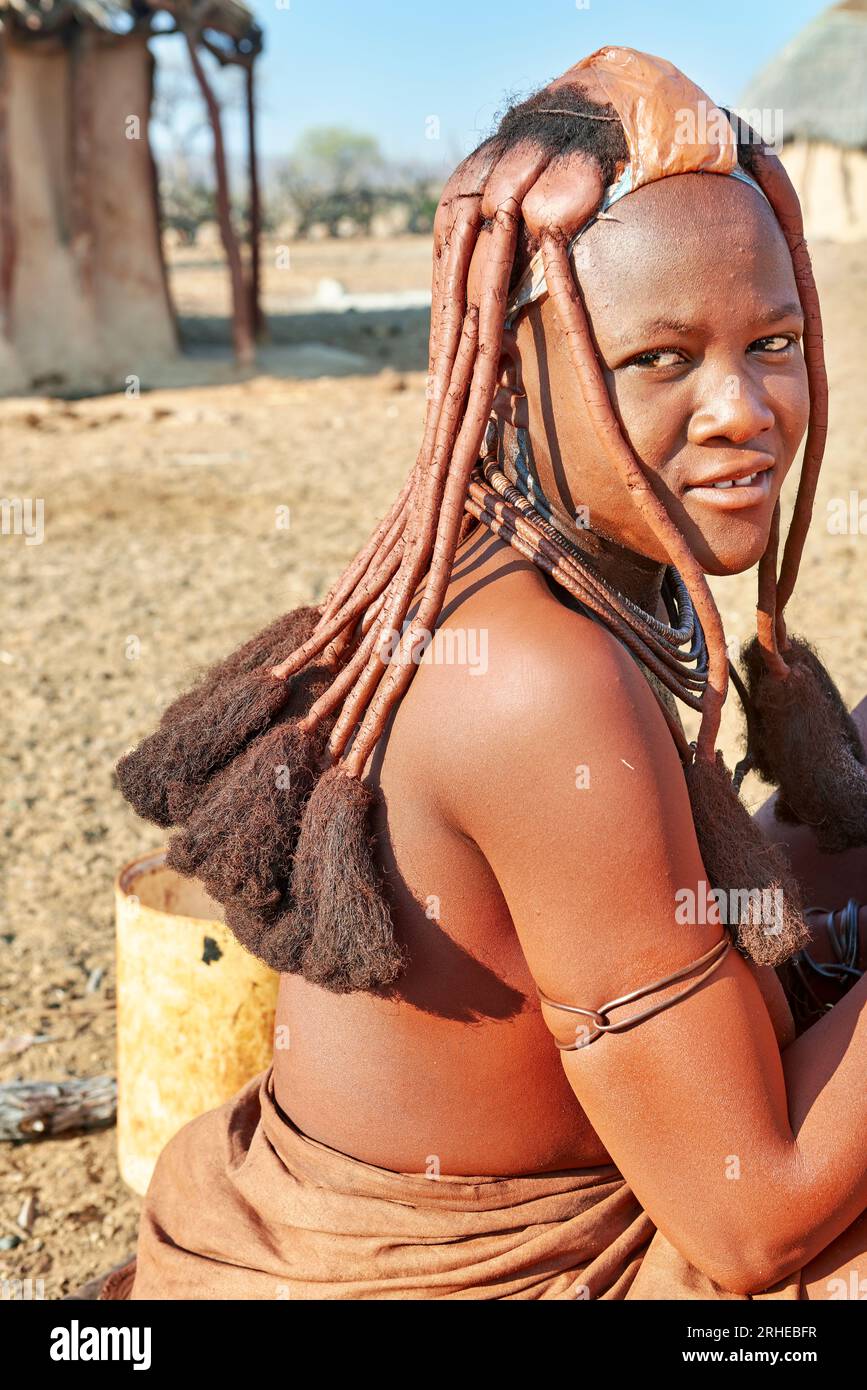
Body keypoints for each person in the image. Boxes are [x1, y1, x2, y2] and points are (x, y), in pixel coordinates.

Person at [106, 47, 867, 1300]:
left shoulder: (576, 572)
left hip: (565, 1175)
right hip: (489, 1268)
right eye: (660, 360)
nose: (742, 408)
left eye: (773, 340)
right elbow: (752, 1226)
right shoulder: (534, 677)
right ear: (515, 371)